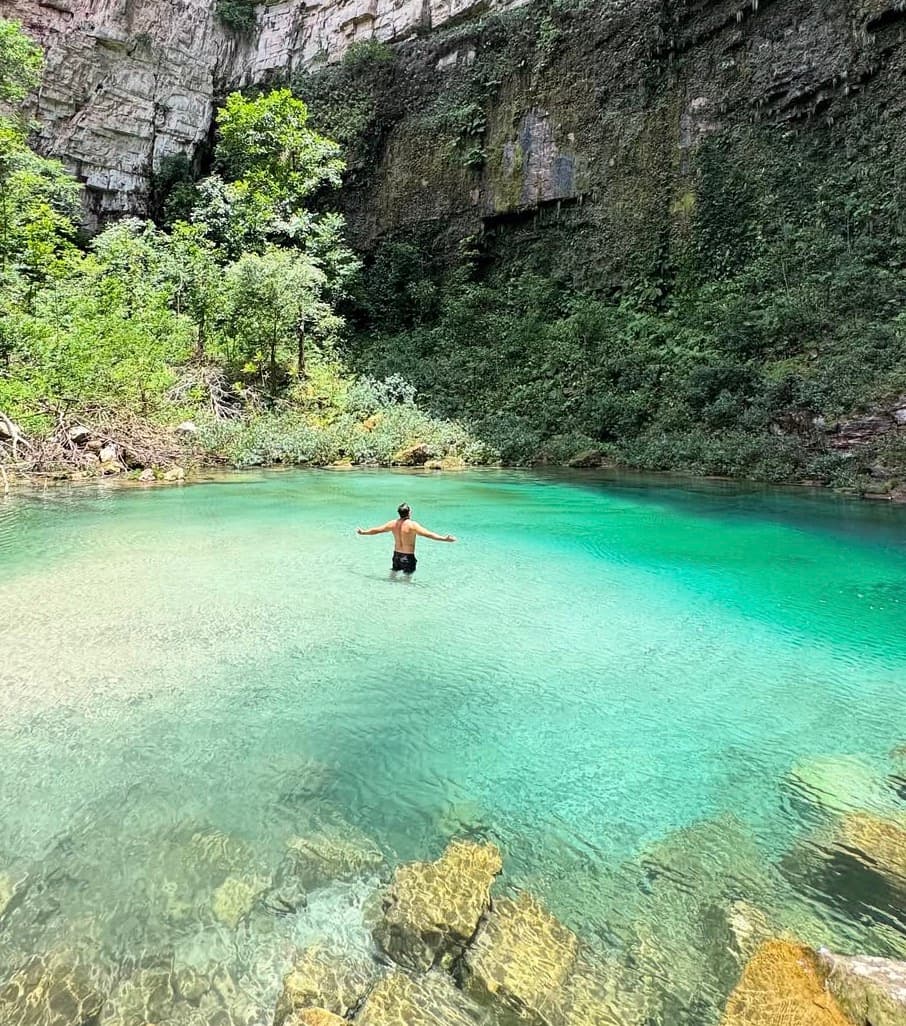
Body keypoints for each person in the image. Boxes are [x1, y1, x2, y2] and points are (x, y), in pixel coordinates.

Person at [356, 502, 456, 575]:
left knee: (392, 578)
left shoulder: (392, 524)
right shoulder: (412, 525)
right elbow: (428, 534)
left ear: (399, 513)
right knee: (407, 582)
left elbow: (377, 530)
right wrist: (444, 539)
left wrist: (363, 532)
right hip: (408, 557)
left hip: (396, 556)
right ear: (409, 513)